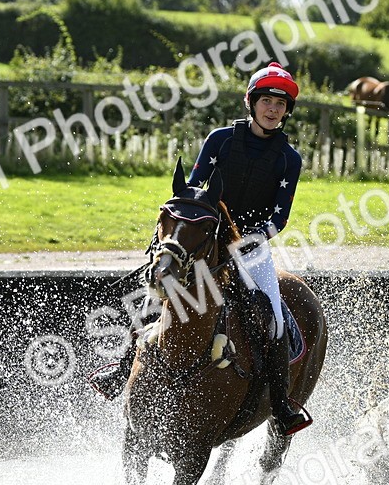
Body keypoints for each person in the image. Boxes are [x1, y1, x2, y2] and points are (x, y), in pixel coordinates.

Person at [91, 62, 312, 436]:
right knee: (158, 289)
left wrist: (245, 243)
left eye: (280, 104)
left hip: (251, 249)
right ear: (252, 102)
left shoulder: (290, 159)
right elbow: (192, 192)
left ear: (286, 111)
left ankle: (280, 404)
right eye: (267, 101)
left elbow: (279, 218)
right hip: (205, 239)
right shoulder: (220, 140)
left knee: (273, 318)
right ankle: (123, 365)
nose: (273, 109)